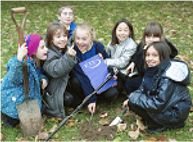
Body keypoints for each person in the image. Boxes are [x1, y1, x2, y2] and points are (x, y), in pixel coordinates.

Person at [123, 41, 192, 132]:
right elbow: (143, 88)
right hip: (166, 106)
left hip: (175, 112)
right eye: (147, 55)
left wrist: (133, 97)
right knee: (133, 102)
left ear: (163, 56)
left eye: (155, 55)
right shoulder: (154, 69)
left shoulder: (167, 77)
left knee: (135, 101)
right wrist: (132, 96)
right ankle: (155, 120)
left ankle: (161, 124)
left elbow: (157, 104)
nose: (149, 58)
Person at [70, 23, 119, 114]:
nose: (80, 42)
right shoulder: (74, 52)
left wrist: (111, 74)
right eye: (78, 38)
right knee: (75, 81)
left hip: (98, 80)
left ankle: (98, 98)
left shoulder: (98, 46)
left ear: (91, 38)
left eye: (84, 39)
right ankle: (87, 99)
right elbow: (82, 77)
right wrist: (91, 99)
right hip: (83, 81)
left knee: (112, 93)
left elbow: (107, 63)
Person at [1, 34, 48, 127]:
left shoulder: (34, 62)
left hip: (27, 99)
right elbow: (14, 78)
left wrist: (43, 79)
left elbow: (36, 75)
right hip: (13, 103)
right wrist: (19, 59)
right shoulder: (22, 65)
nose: (46, 49)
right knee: (12, 121)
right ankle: (6, 117)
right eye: (42, 47)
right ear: (33, 51)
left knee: (43, 110)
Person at [123, 21, 178, 95]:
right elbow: (137, 53)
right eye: (148, 36)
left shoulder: (162, 49)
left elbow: (147, 70)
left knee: (133, 84)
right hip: (144, 74)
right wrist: (133, 62)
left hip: (156, 79)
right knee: (129, 82)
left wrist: (145, 53)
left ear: (160, 37)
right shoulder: (143, 45)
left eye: (155, 36)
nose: (151, 39)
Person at [43, 21, 77, 119]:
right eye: (58, 37)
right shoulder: (48, 53)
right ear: (51, 40)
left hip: (65, 83)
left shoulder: (64, 48)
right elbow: (56, 70)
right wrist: (68, 57)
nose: (62, 39)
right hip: (54, 89)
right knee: (71, 100)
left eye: (64, 36)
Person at [103, 19, 137, 92]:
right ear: (115, 31)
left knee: (112, 90)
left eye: (125, 30)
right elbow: (106, 54)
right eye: (120, 30)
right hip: (112, 69)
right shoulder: (112, 42)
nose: (122, 33)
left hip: (122, 73)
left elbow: (122, 63)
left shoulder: (131, 45)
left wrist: (106, 61)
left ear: (130, 32)